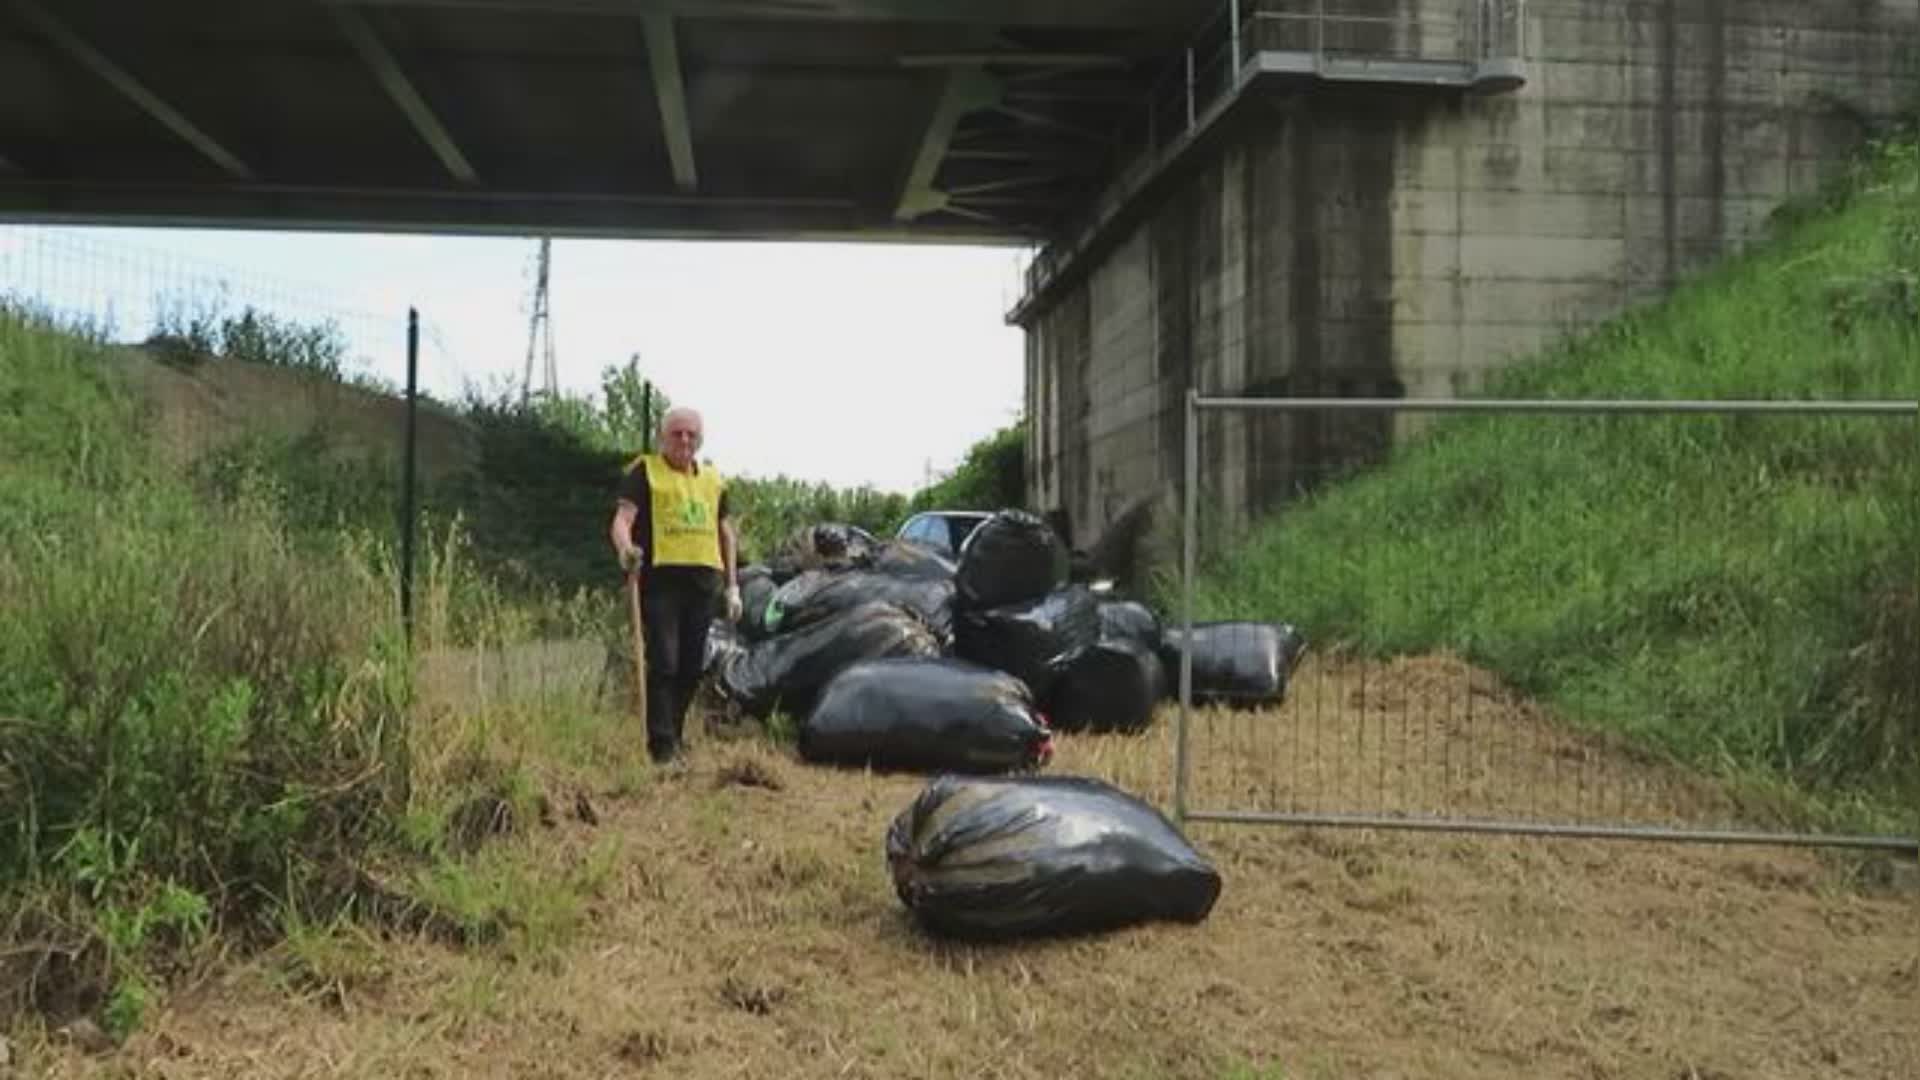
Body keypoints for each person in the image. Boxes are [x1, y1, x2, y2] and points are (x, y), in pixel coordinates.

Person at [608, 406, 742, 763]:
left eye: (691, 435)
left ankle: (675, 735)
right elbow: (622, 520)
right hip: (660, 582)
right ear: (663, 437)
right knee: (664, 661)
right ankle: (661, 745)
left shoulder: (713, 480)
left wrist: (733, 586)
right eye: (676, 433)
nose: (684, 440)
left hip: (702, 584)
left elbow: (725, 533)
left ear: (700, 439)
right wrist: (626, 549)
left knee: (691, 666)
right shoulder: (644, 472)